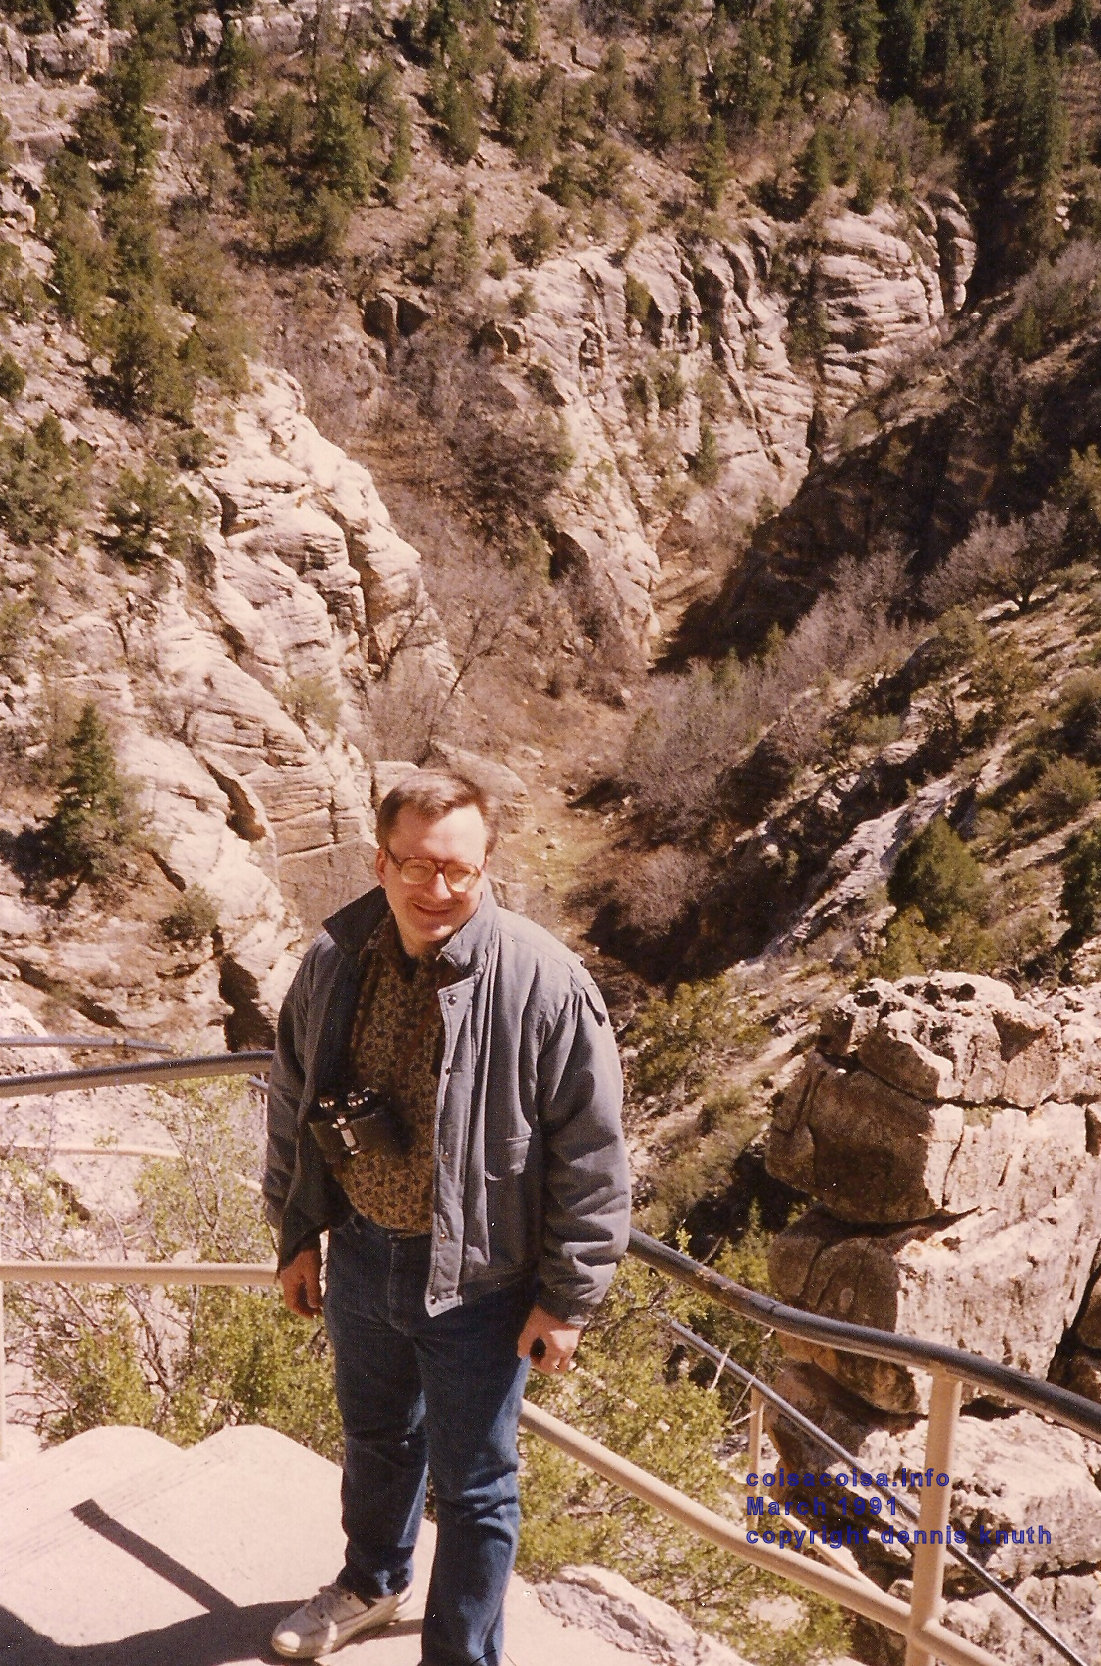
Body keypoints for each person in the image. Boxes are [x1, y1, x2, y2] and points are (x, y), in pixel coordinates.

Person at [263, 768, 630, 1664]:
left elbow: (591, 1152)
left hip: (480, 1280)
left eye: (458, 871)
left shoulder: (543, 979)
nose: (438, 890)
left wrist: (567, 1299)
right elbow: (290, 1101)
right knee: (376, 1441)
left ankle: (460, 1656)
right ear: (380, 862)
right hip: (358, 1252)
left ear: (486, 865)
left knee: (475, 1489)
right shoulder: (335, 961)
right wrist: (296, 1234)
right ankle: (371, 1586)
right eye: (417, 866)